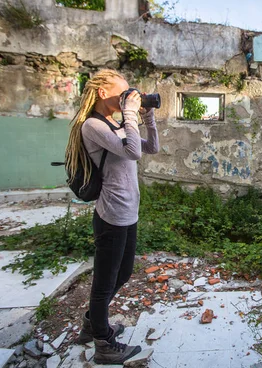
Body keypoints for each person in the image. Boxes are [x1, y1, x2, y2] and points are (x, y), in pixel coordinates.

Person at [64, 69, 159, 364]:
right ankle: (103, 343)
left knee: (124, 273)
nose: (127, 97)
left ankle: (94, 322)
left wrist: (148, 115)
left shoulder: (114, 124)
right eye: (123, 93)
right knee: (104, 283)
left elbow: (151, 147)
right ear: (103, 94)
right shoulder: (93, 126)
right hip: (111, 215)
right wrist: (130, 113)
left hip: (128, 213)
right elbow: (133, 152)